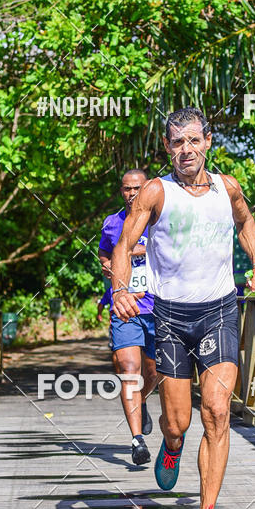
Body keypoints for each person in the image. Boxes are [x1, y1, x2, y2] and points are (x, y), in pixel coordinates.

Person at [110, 108, 255, 509]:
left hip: (219, 310)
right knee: (179, 423)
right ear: (168, 147)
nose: (186, 150)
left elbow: (244, 222)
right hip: (170, 318)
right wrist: (121, 288)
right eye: (177, 142)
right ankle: (171, 444)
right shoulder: (156, 193)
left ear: (208, 142)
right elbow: (124, 245)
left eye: (194, 141)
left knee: (217, 411)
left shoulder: (228, 188)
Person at [98, 170, 158, 466]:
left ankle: (143, 399)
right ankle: (138, 441)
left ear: (146, 188)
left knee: (153, 373)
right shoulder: (112, 223)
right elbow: (104, 255)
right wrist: (112, 267)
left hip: (159, 307)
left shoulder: (160, 219)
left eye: (138, 188)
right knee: (129, 369)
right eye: (127, 189)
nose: (132, 193)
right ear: (121, 191)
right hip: (124, 308)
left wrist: (138, 250)